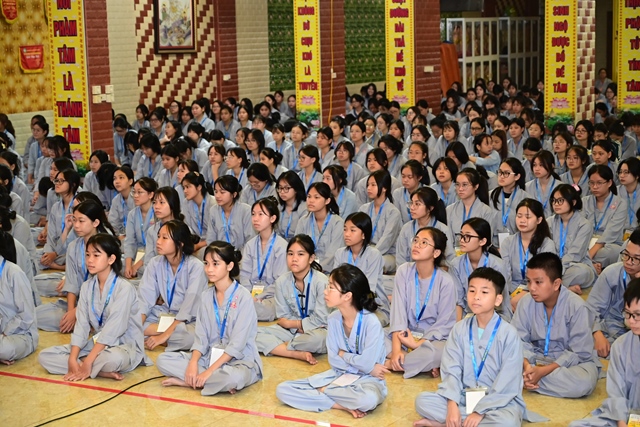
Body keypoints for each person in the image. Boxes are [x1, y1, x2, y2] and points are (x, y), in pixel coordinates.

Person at [414, 267, 543, 427]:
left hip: (498, 402)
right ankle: (461, 420)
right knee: (422, 401)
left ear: (498, 300)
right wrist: (452, 405)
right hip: (464, 396)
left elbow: (507, 382)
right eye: (472, 291)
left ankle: (445, 423)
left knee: (507, 421)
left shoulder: (509, 334)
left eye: (484, 292)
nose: (476, 297)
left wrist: (480, 411)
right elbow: (451, 370)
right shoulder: (459, 329)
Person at [276, 264, 387, 419]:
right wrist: (361, 365)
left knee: (367, 400)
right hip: (338, 376)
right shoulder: (333, 319)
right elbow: (335, 361)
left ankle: (322, 391)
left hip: (366, 381)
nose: (325, 291)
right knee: (283, 390)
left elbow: (366, 364)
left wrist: (344, 355)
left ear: (347, 296)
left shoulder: (371, 323)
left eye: (331, 287)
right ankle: (340, 404)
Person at [156, 241, 263, 395]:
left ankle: (193, 381)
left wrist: (208, 372)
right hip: (209, 357)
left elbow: (237, 345)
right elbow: (201, 338)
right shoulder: (206, 296)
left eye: (215, 264)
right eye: (206, 263)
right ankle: (208, 382)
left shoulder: (243, 297)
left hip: (238, 361)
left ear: (229, 266)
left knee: (233, 377)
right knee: (163, 360)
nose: (209, 269)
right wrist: (193, 363)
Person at [38, 234, 148, 381]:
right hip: (96, 344)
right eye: (87, 255)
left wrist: (88, 360)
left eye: (96, 255)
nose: (90, 260)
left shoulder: (124, 289)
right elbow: (81, 326)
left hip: (123, 346)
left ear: (111, 259)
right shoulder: (87, 287)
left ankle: (87, 366)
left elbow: (113, 330)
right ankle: (98, 371)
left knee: (113, 359)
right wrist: (72, 358)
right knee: (45, 356)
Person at [511, 252, 599, 399]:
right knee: (500, 361)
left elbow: (579, 352)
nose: (532, 288)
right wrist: (526, 365)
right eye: (529, 282)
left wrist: (543, 371)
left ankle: (525, 380)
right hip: (534, 358)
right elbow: (517, 340)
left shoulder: (577, 306)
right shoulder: (525, 302)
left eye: (538, 282)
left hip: (568, 364)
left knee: (583, 383)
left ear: (556, 284)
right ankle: (530, 377)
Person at [385, 227, 457, 379]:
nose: (417, 245)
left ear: (436, 253)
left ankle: (389, 363)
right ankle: (407, 360)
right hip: (404, 334)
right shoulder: (404, 271)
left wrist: (417, 344)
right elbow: (398, 314)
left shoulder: (446, 282)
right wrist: (397, 350)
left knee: (438, 352)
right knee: (373, 335)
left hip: (431, 339)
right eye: (416, 240)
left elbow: (444, 324)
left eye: (424, 242)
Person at [36, 200, 117, 332]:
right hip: (80, 301)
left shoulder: (106, 246)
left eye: (81, 221)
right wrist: (70, 312)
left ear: (95, 223)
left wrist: (76, 312)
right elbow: (71, 283)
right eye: (74, 220)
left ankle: (92, 324)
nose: (76, 225)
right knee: (36, 315)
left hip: (102, 303)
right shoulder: (74, 246)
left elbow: (104, 287)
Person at [569, 278, 640, 427]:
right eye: (628, 314)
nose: (631, 321)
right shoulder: (621, 346)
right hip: (625, 415)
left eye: (637, 315)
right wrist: (621, 422)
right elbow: (616, 393)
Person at [255, 235, 330, 364]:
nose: (294, 259)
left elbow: (321, 320)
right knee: (252, 333)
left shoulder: (322, 282)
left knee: (317, 339)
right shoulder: (281, 281)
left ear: (311, 258)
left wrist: (292, 324)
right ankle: (295, 352)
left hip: (317, 331)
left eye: (300, 254)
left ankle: (282, 347)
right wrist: (294, 327)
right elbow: (283, 316)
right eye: (290, 254)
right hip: (290, 332)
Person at [138, 220, 208, 352]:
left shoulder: (196, 267)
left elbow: (188, 309)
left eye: (164, 238)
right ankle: (166, 337)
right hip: (164, 314)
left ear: (180, 243)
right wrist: (136, 327)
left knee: (189, 337)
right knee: (130, 322)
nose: (158, 241)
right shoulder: (155, 263)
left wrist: (163, 336)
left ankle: (160, 337)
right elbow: (144, 300)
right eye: (158, 236)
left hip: (188, 320)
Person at [587, 229, 640, 359]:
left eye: (636, 259)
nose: (629, 262)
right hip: (609, 329)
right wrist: (597, 333)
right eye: (626, 255)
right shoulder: (611, 273)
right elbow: (591, 309)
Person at [333, 212, 390, 326]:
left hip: (373, 306)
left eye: (352, 230)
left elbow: (369, 290)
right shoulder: (340, 253)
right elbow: (335, 284)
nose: (347, 234)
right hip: (344, 304)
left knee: (360, 324)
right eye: (345, 229)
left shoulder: (373, 255)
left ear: (363, 234)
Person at [450, 218, 512, 321]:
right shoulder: (455, 264)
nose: (461, 240)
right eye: (461, 235)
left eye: (468, 236)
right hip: (467, 315)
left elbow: (502, 303)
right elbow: (458, 301)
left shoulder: (497, 265)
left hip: (493, 314)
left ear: (482, 241)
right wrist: (458, 325)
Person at [502, 199, 556, 311]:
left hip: (537, 288)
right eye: (519, 216)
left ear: (539, 220)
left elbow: (544, 275)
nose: (522, 220)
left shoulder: (547, 244)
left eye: (527, 217)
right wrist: (507, 295)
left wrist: (526, 291)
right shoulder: (508, 242)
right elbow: (505, 272)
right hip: (512, 288)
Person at [239, 197, 287, 321]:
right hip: (250, 294)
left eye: (261, 214)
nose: (255, 218)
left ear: (272, 218)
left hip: (271, 296)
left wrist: (260, 297)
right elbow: (244, 275)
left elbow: (279, 281)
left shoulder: (282, 246)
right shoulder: (250, 245)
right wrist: (249, 295)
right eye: (253, 214)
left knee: (266, 309)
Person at [547, 184, 596, 294]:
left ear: (573, 202)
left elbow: (576, 254)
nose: (556, 204)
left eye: (560, 200)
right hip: (552, 265)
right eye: (554, 200)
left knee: (582, 272)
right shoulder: (549, 222)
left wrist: (558, 270)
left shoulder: (584, 225)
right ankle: (564, 289)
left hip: (575, 264)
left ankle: (552, 288)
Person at [0, 230, 38, 365]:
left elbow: (26, 316)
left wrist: (5, 333)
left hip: (20, 334)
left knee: (4, 348)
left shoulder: (14, 272)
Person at [582, 165, 627, 274]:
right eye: (592, 183)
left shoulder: (620, 203)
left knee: (609, 252)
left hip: (609, 243)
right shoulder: (584, 201)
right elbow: (581, 227)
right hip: (587, 240)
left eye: (599, 183)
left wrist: (590, 253)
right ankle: (593, 266)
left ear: (609, 183)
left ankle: (588, 265)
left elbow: (612, 232)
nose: (595, 187)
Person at [396, 187, 454, 267]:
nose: (412, 207)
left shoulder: (442, 229)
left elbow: (449, 259)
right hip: (410, 271)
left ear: (430, 208)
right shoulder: (406, 228)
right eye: (411, 203)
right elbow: (400, 259)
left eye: (417, 204)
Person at [358, 170, 402, 273]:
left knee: (375, 262)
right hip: (365, 250)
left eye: (373, 185)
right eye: (368, 185)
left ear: (384, 188)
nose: (368, 188)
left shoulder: (393, 212)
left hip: (387, 253)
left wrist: (368, 255)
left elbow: (387, 239)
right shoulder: (363, 209)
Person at [295, 182, 344, 271]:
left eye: (316, 197)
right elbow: (297, 247)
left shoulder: (338, 223)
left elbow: (333, 254)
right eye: (309, 196)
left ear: (327, 201)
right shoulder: (303, 221)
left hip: (330, 271)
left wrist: (316, 269)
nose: (311, 200)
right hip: (305, 269)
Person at [123, 178, 158, 279]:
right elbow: (130, 242)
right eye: (134, 192)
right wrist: (129, 266)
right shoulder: (132, 214)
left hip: (153, 253)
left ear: (151, 195)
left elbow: (154, 247)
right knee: (121, 266)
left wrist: (136, 266)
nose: (135, 196)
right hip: (138, 252)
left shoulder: (157, 213)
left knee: (146, 268)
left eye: (140, 192)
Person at [206, 175, 253, 248]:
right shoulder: (213, 211)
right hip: (219, 252)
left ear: (234, 194)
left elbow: (250, 240)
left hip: (242, 253)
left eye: (222, 192)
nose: (217, 196)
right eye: (216, 191)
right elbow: (211, 238)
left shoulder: (246, 211)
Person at [181, 172, 215, 254]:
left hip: (212, 243)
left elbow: (216, 234)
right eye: (184, 188)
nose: (185, 191)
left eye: (188, 187)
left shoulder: (213, 204)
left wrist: (198, 246)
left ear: (199, 187)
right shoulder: (186, 203)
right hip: (195, 242)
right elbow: (187, 227)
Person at [275, 171, 307, 240]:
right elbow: (276, 231)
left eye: (286, 188)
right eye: (280, 188)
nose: (282, 192)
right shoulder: (278, 207)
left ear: (296, 189)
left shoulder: (305, 208)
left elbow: (303, 234)